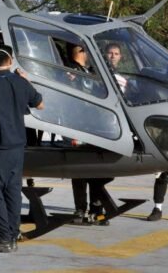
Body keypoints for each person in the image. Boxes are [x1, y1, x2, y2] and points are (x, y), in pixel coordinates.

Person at [0, 45, 44, 253]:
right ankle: (12, 235)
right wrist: (26, 80)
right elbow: (39, 104)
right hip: (17, 147)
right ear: (10, 61)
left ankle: (3, 236)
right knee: (12, 191)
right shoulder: (20, 82)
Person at [66, 43, 114, 226]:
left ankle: (96, 209)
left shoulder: (94, 70)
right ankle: (80, 209)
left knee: (97, 170)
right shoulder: (69, 71)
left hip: (96, 126)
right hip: (78, 125)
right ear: (80, 51)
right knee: (79, 171)